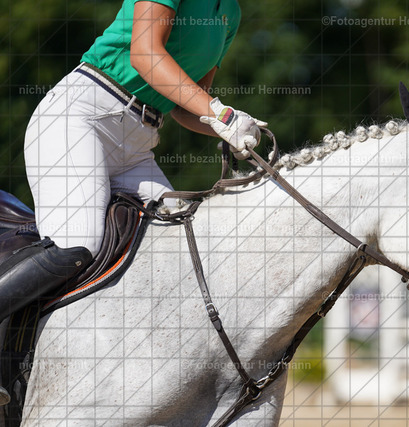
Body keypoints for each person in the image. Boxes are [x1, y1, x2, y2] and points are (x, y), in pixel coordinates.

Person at [0, 0, 265, 348]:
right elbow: (145, 54)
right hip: (79, 118)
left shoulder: (230, 12)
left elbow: (186, 105)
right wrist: (220, 115)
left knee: (181, 251)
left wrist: (232, 125)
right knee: (77, 244)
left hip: (137, 146)